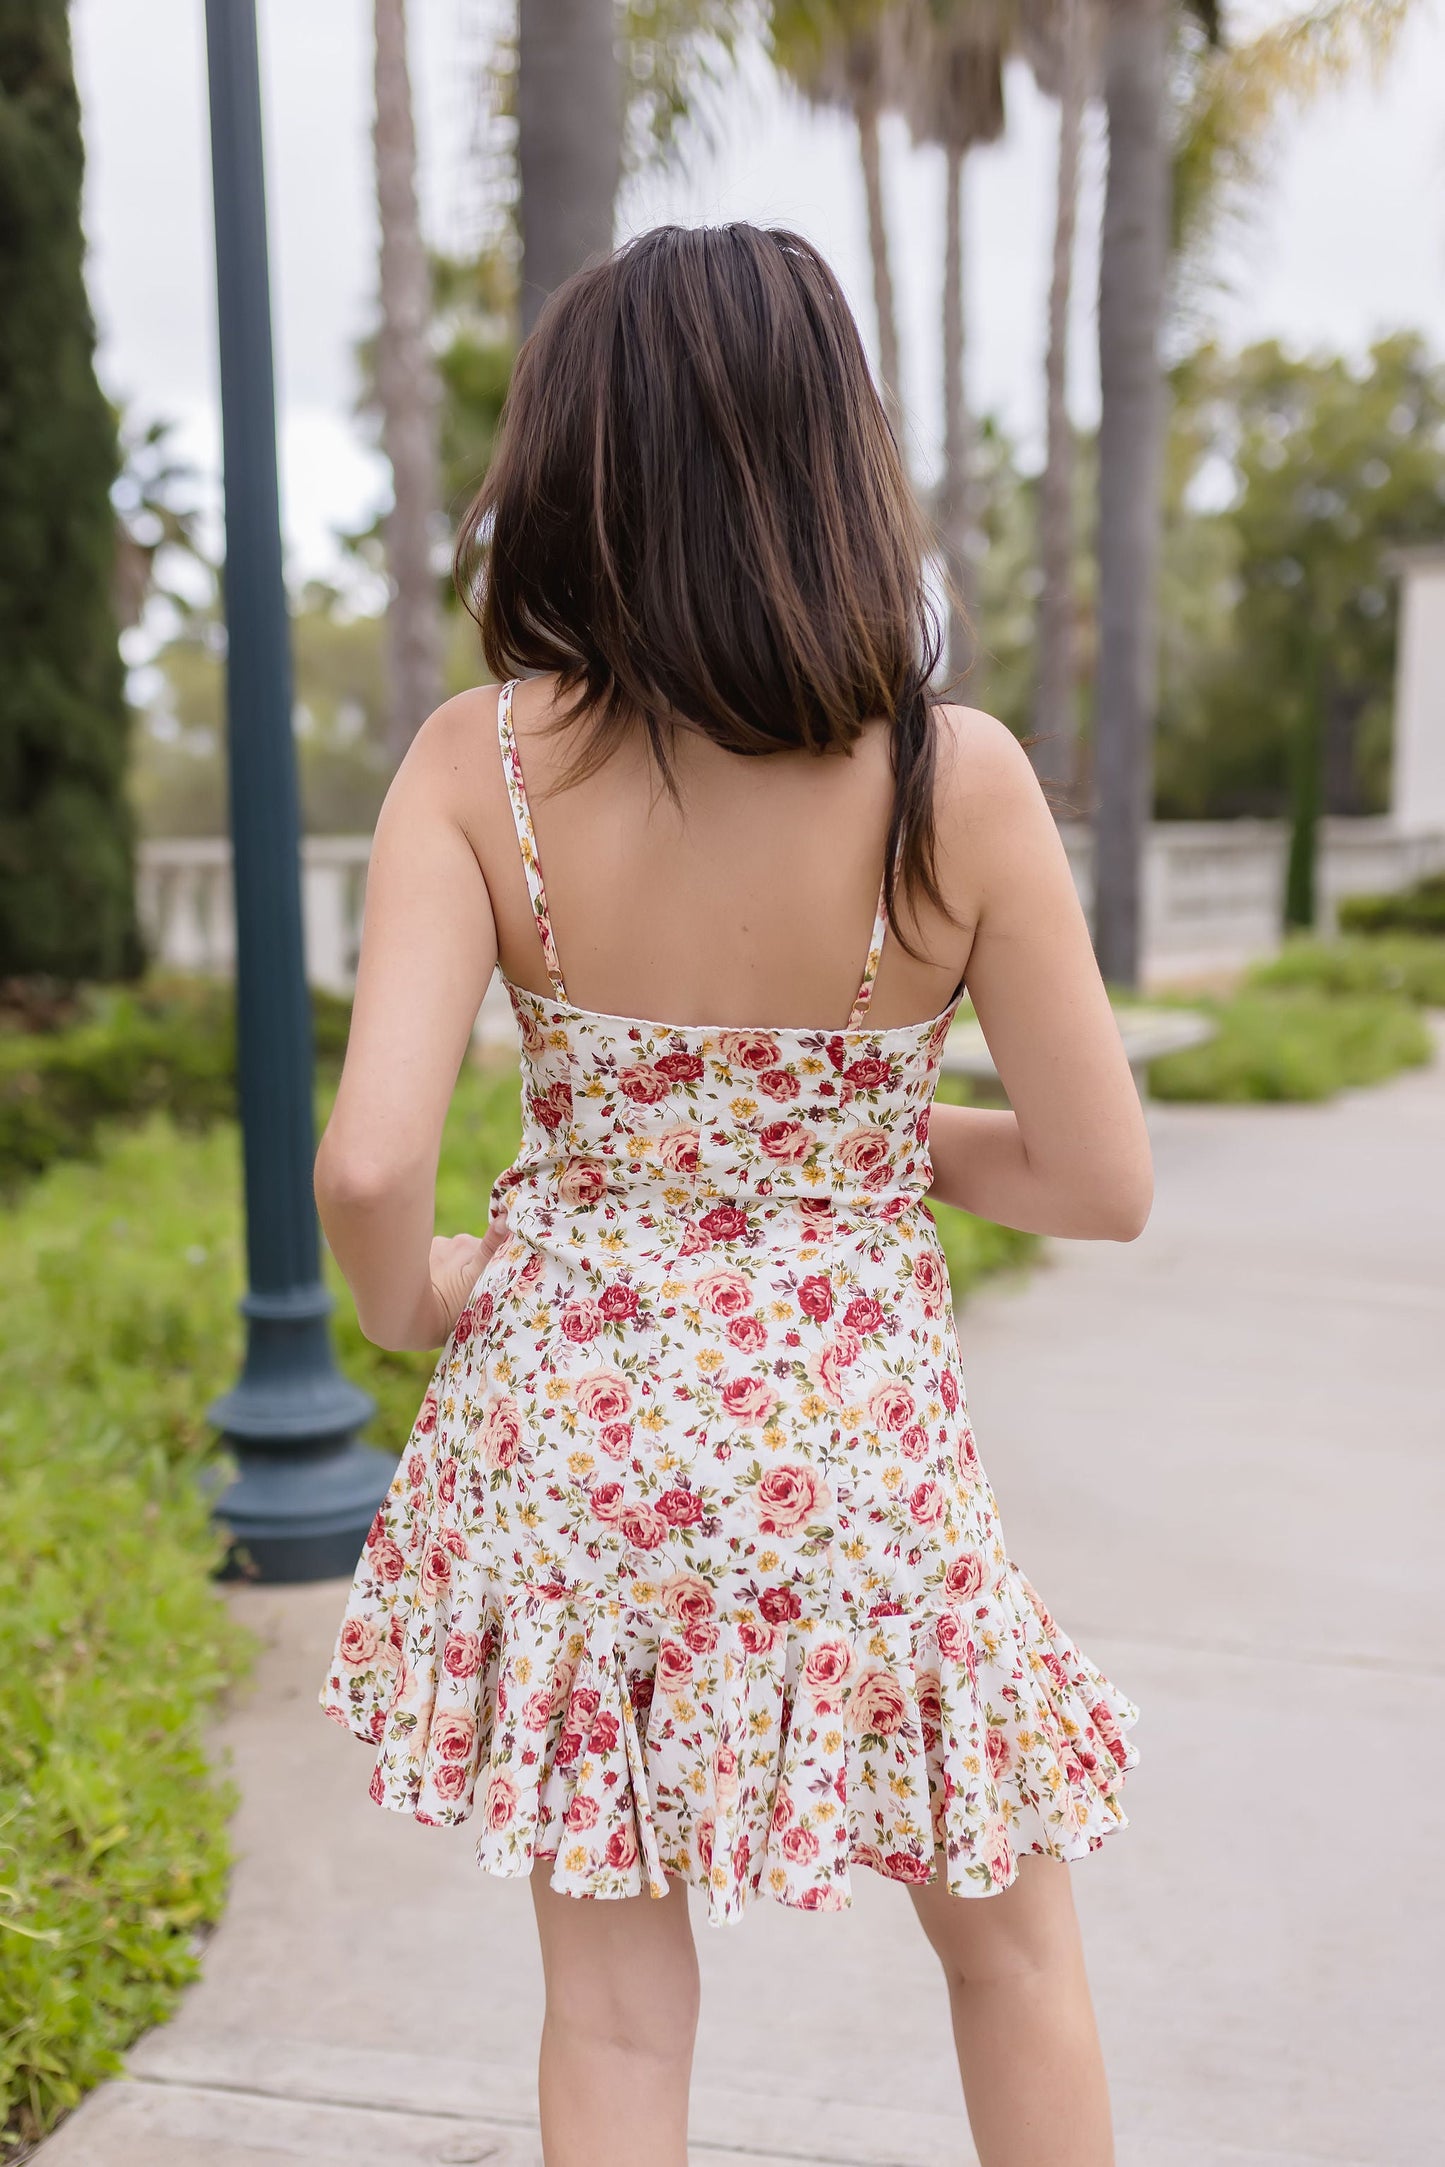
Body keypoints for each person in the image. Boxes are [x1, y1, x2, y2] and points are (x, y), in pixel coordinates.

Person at [316, 222, 1150, 2167]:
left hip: (575, 1439)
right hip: (856, 1448)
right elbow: (1098, 1178)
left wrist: (406, 1299)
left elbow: (370, 1157)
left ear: (576, 468)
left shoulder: (480, 769)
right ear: (835, 467)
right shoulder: (962, 784)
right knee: (1011, 1951)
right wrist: (842, 1130)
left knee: (612, 2020)